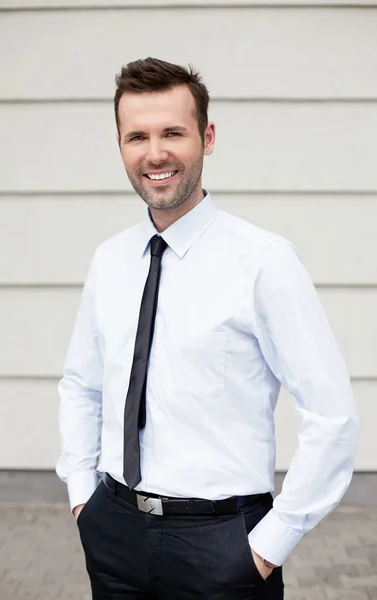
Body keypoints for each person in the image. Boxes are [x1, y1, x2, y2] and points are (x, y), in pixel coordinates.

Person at [56, 57, 359, 600]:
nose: (155, 153)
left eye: (173, 132)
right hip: (114, 531)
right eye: (137, 136)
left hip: (224, 546)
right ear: (121, 145)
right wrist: (84, 498)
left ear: (208, 136)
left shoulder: (264, 262)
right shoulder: (111, 260)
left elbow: (331, 414)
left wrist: (267, 547)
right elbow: (81, 385)